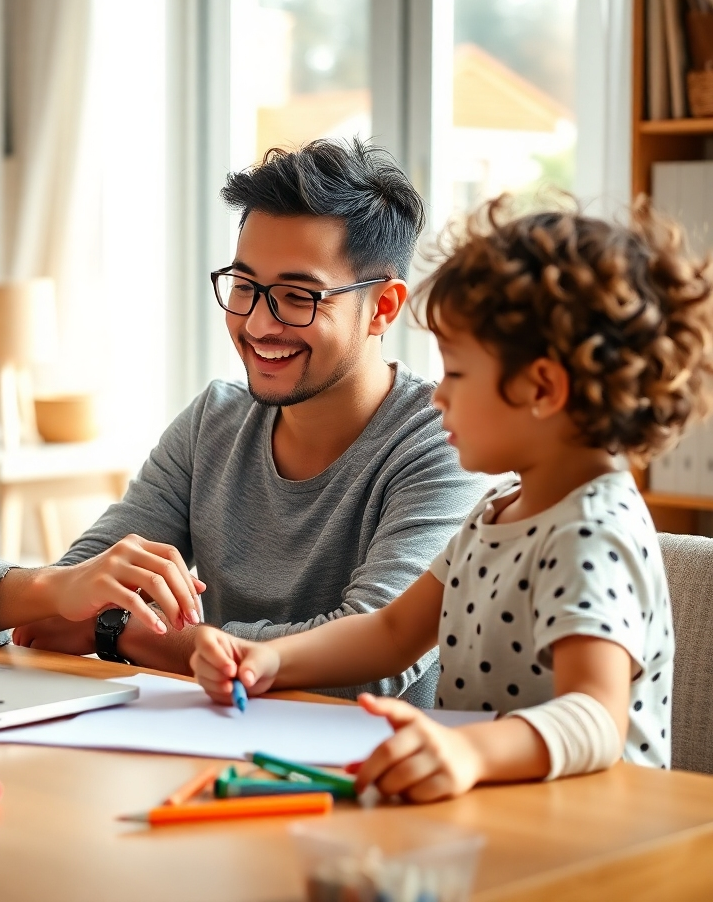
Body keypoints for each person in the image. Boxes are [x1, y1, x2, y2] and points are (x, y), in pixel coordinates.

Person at [0, 139, 485, 705]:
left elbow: (371, 662)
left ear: (383, 307)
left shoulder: (444, 442)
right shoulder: (215, 421)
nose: (259, 324)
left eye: (297, 297)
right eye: (244, 285)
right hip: (201, 764)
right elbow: (66, 604)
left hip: (364, 799)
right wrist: (46, 589)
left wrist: (122, 633)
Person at [191, 198, 713, 800]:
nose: (438, 397)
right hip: (504, 820)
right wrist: (270, 659)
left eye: (458, 375)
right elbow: (390, 632)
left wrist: (469, 751)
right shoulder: (498, 514)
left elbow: (596, 717)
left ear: (541, 387)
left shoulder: (593, 530)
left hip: (594, 842)